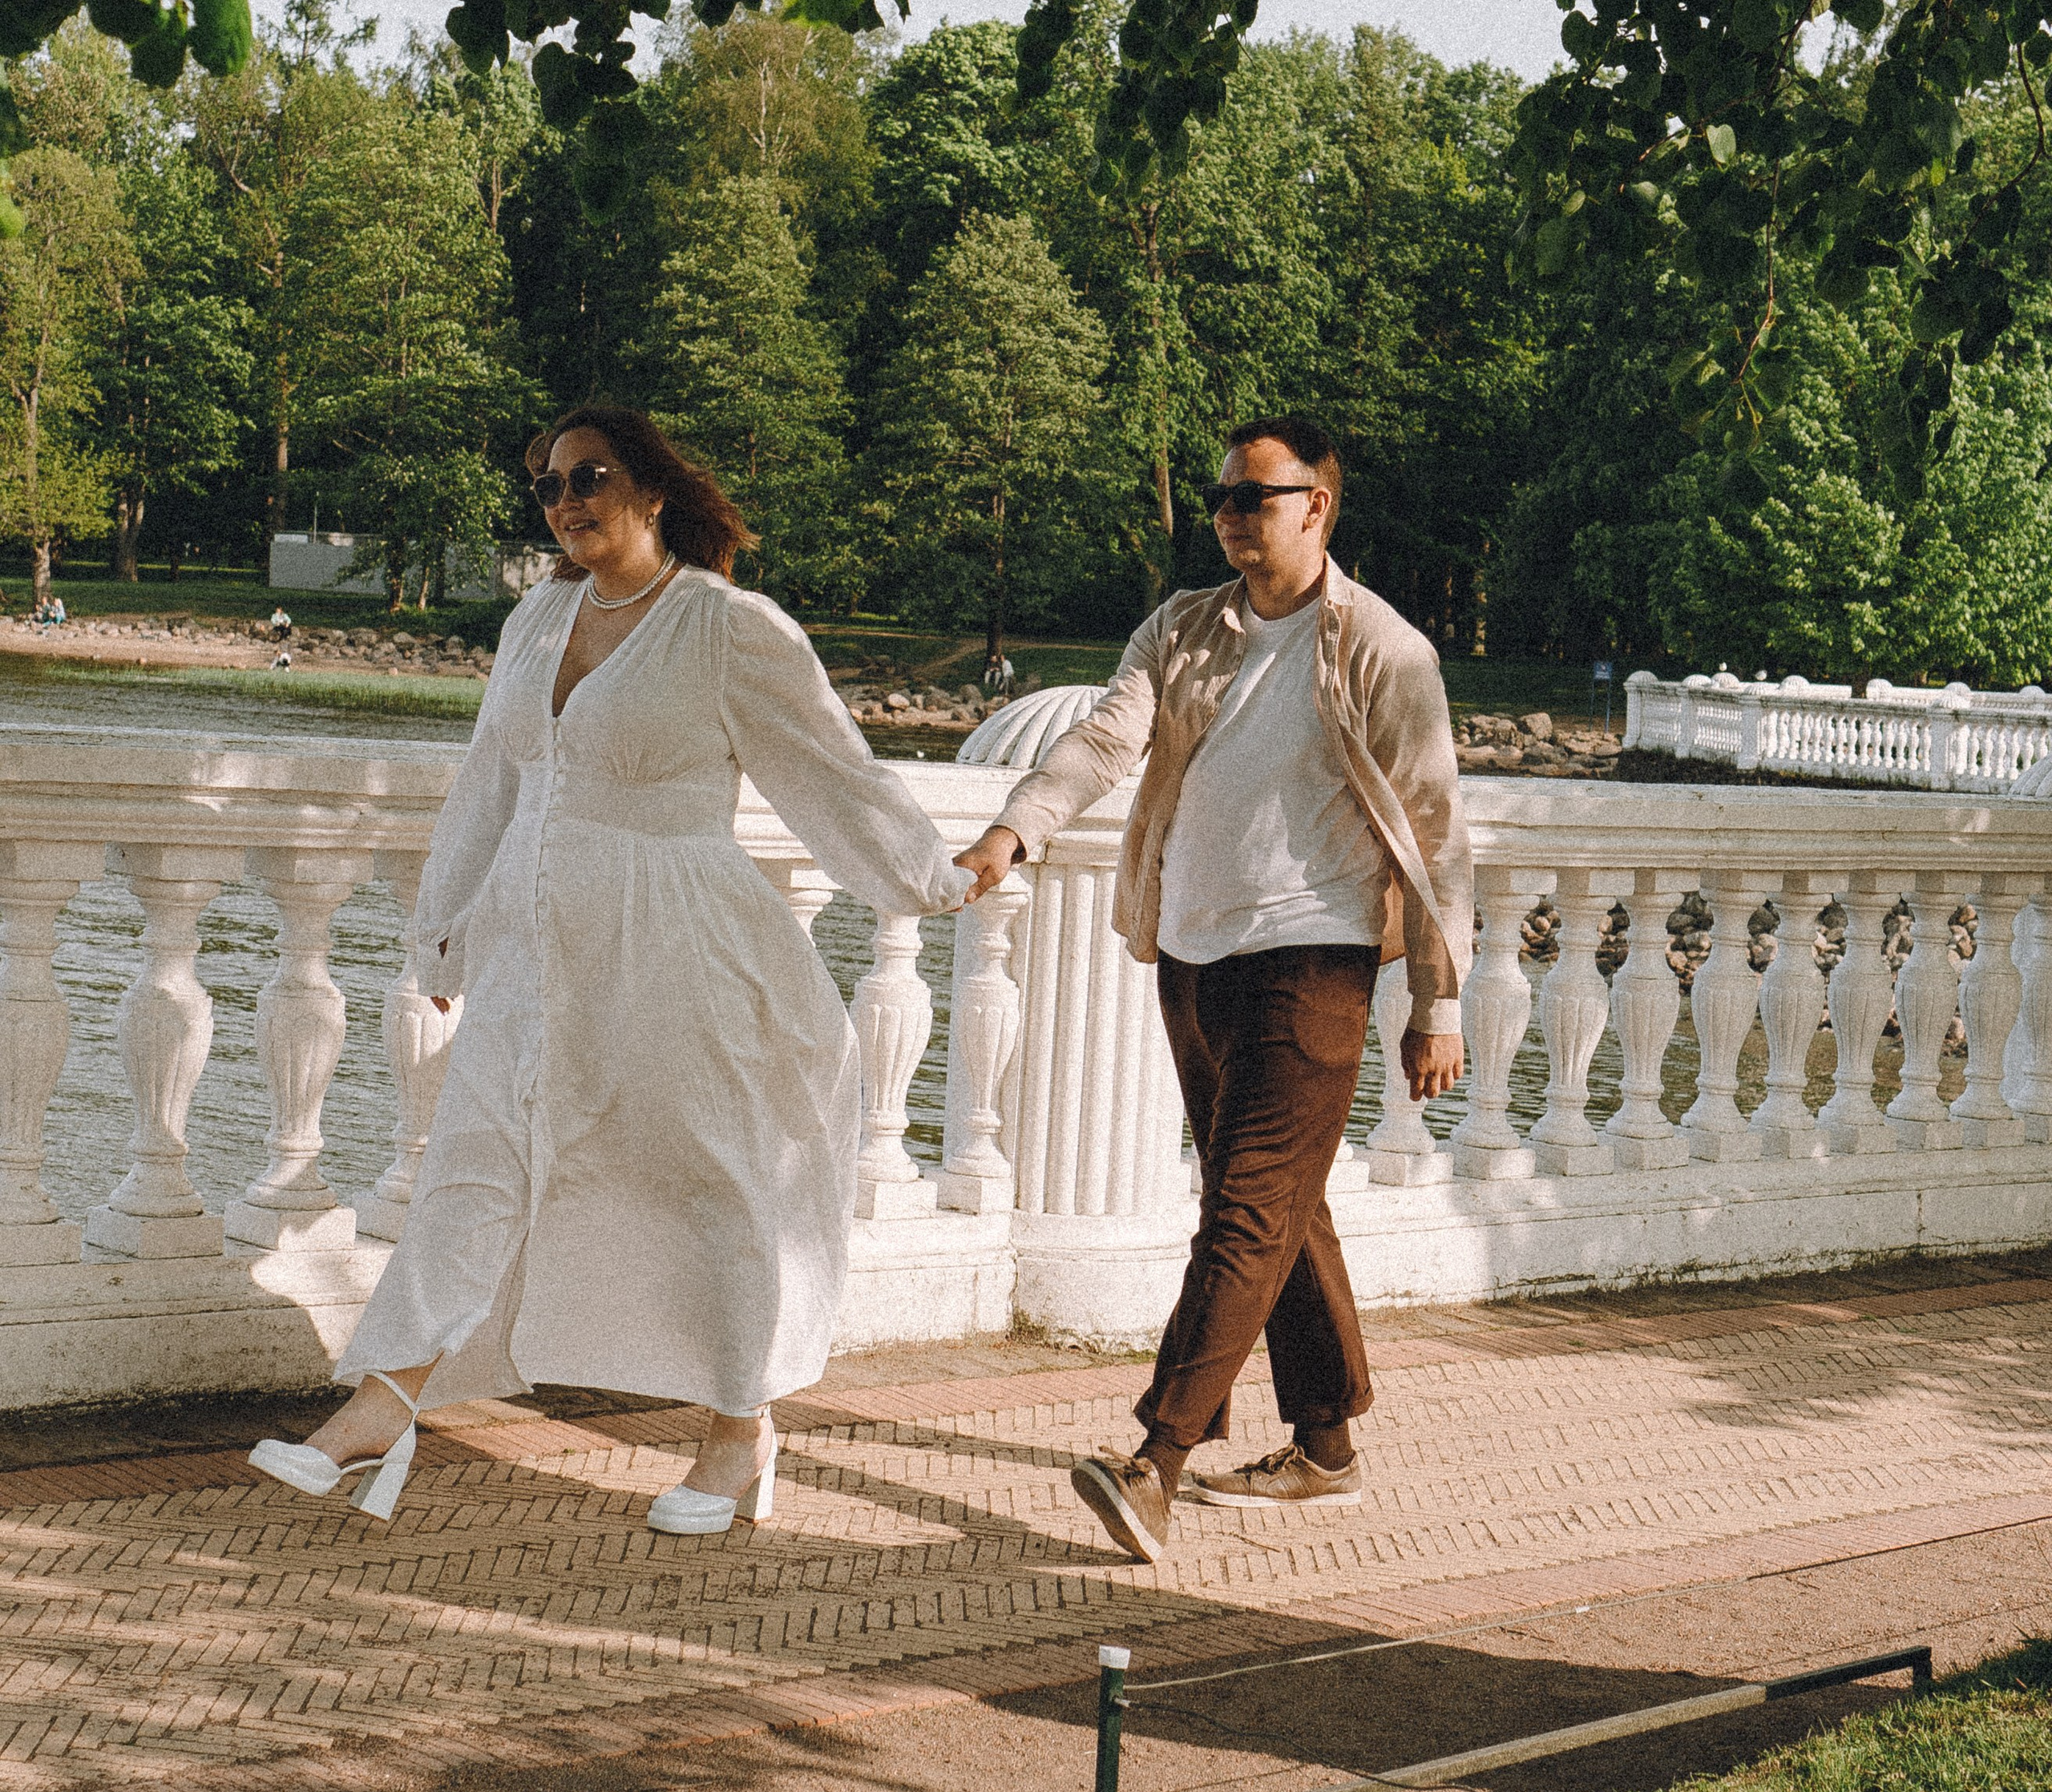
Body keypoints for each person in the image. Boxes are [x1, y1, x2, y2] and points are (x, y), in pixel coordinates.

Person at [248, 404, 971, 1531]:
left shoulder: (730, 627)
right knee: (474, 1167)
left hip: (680, 946)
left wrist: (936, 876)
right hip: (534, 949)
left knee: (712, 1179)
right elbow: (492, 780)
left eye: (588, 477)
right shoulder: (538, 620)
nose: (564, 500)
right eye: (545, 485)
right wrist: (443, 931)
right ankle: (380, 1408)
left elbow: (832, 772)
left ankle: (740, 1431)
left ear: (651, 492)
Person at [956, 417, 1472, 1564]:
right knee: (1283, 1208)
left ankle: (1157, 1460)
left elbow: (1436, 837)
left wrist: (1438, 1003)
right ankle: (1326, 1443)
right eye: (1225, 499)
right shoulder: (1183, 627)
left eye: (1258, 497)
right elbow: (1102, 743)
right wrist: (1017, 828)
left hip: (1316, 962)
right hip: (1192, 959)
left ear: (1317, 509)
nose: (1234, 515)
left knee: (1241, 1212)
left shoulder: (1386, 652)